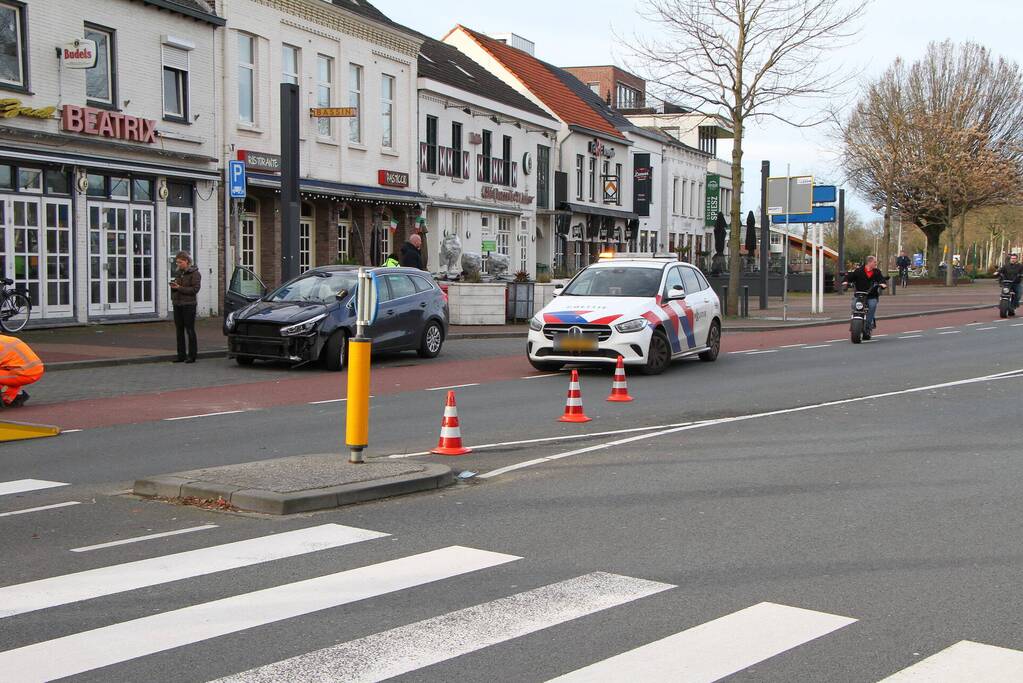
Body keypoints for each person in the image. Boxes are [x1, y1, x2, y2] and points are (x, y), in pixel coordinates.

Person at [170, 250, 201, 363]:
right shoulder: (178, 273)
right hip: (177, 304)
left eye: (180, 262)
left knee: (190, 330)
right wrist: (173, 289)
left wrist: (179, 288)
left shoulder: (195, 273)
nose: (178, 264)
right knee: (179, 330)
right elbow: (176, 288)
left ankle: (192, 355)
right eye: (177, 262)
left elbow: (194, 290)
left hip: (189, 305)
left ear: (186, 261)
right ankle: (181, 355)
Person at [843, 255, 888, 332]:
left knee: (872, 305)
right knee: (854, 305)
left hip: (872, 296)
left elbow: (881, 279)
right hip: (859, 295)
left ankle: (868, 324)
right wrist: (846, 281)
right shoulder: (859, 271)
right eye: (874, 262)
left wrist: (882, 284)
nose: (876, 264)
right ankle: (854, 323)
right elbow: (851, 277)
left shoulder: (877, 272)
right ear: (869, 262)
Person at [0, 334, 43, 407]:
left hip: (23, 373)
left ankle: (14, 397)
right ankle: (15, 396)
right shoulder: (4, 339)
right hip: (35, 369)